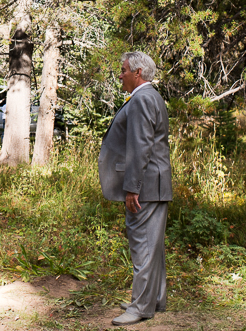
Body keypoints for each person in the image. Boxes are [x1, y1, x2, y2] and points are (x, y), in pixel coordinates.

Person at [99, 52, 172, 326]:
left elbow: (141, 147)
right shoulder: (150, 96)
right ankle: (154, 299)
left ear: (138, 72)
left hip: (146, 186)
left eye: (124, 70)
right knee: (153, 246)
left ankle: (140, 307)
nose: (120, 75)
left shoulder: (142, 99)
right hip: (154, 184)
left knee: (143, 246)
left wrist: (132, 189)